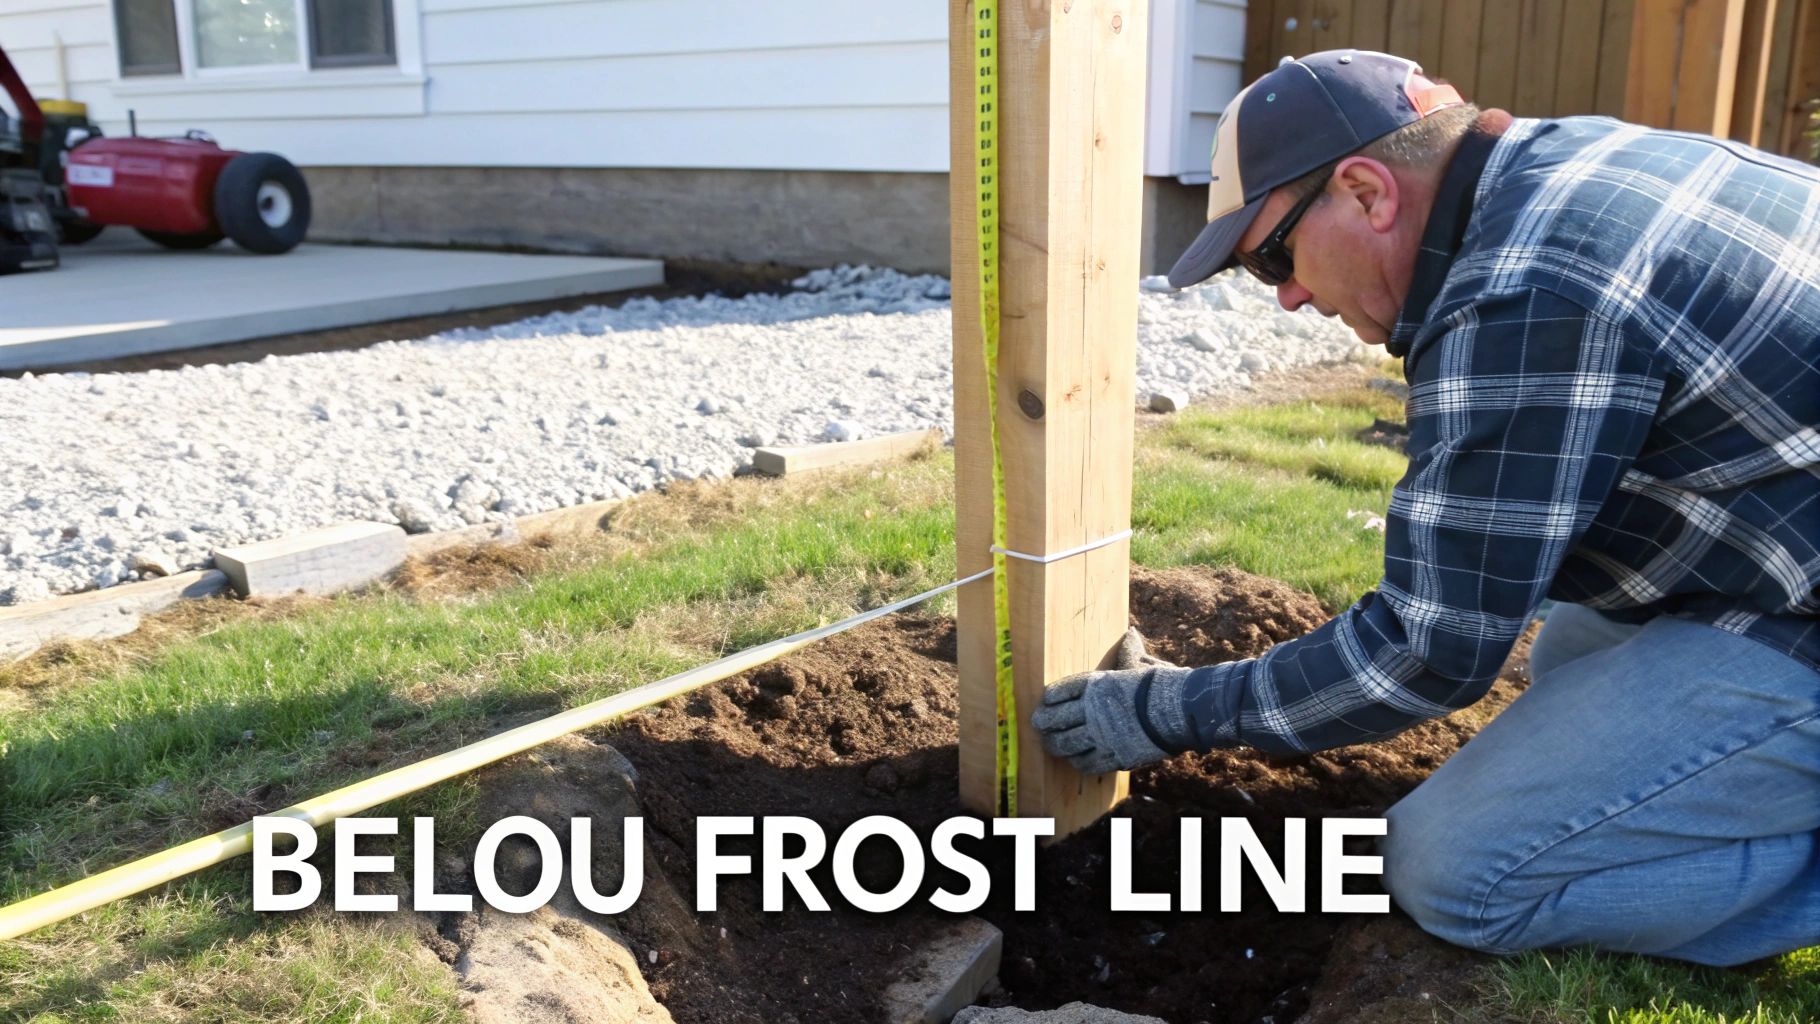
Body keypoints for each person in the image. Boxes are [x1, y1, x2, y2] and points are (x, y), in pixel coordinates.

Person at [1031, 49, 1819, 966]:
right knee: (1570, 649)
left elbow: (1427, 652)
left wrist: (1172, 711)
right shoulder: (1565, 167)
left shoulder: (1530, 293)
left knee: (1453, 869)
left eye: (1274, 257)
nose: (1287, 297)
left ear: (1367, 192)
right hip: (1787, 537)